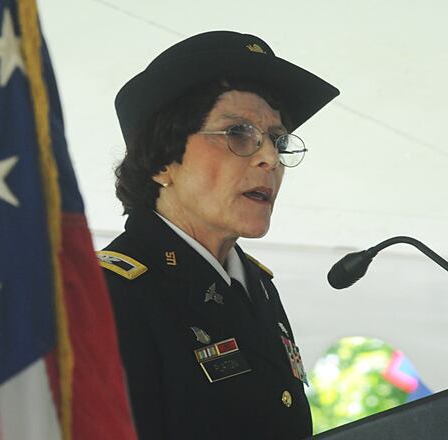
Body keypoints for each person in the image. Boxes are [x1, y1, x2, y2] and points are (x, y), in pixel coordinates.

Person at [98, 30, 339, 439]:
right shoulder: (107, 295)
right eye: (238, 133)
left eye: (277, 141)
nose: (269, 158)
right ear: (161, 161)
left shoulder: (256, 286)